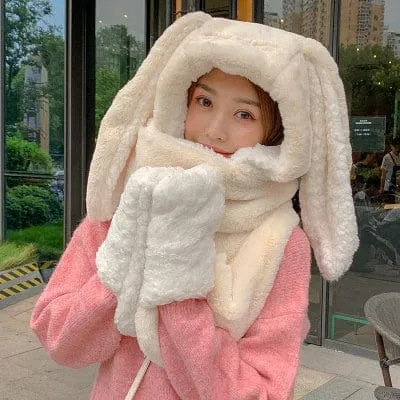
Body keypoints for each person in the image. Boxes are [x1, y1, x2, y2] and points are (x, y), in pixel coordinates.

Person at [30, 12, 359, 400]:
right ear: (179, 100)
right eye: (204, 101)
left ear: (277, 131)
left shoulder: (280, 242)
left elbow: (262, 391)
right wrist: (123, 261)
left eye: (244, 114)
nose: (214, 130)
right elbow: (60, 340)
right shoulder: (130, 202)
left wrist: (178, 289)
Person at [380, 137, 400, 204]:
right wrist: (382, 187)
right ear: (391, 146)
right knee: (390, 205)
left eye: (398, 146)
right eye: (395, 146)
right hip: (389, 187)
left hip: (398, 186)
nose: (397, 148)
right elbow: (383, 174)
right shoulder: (387, 157)